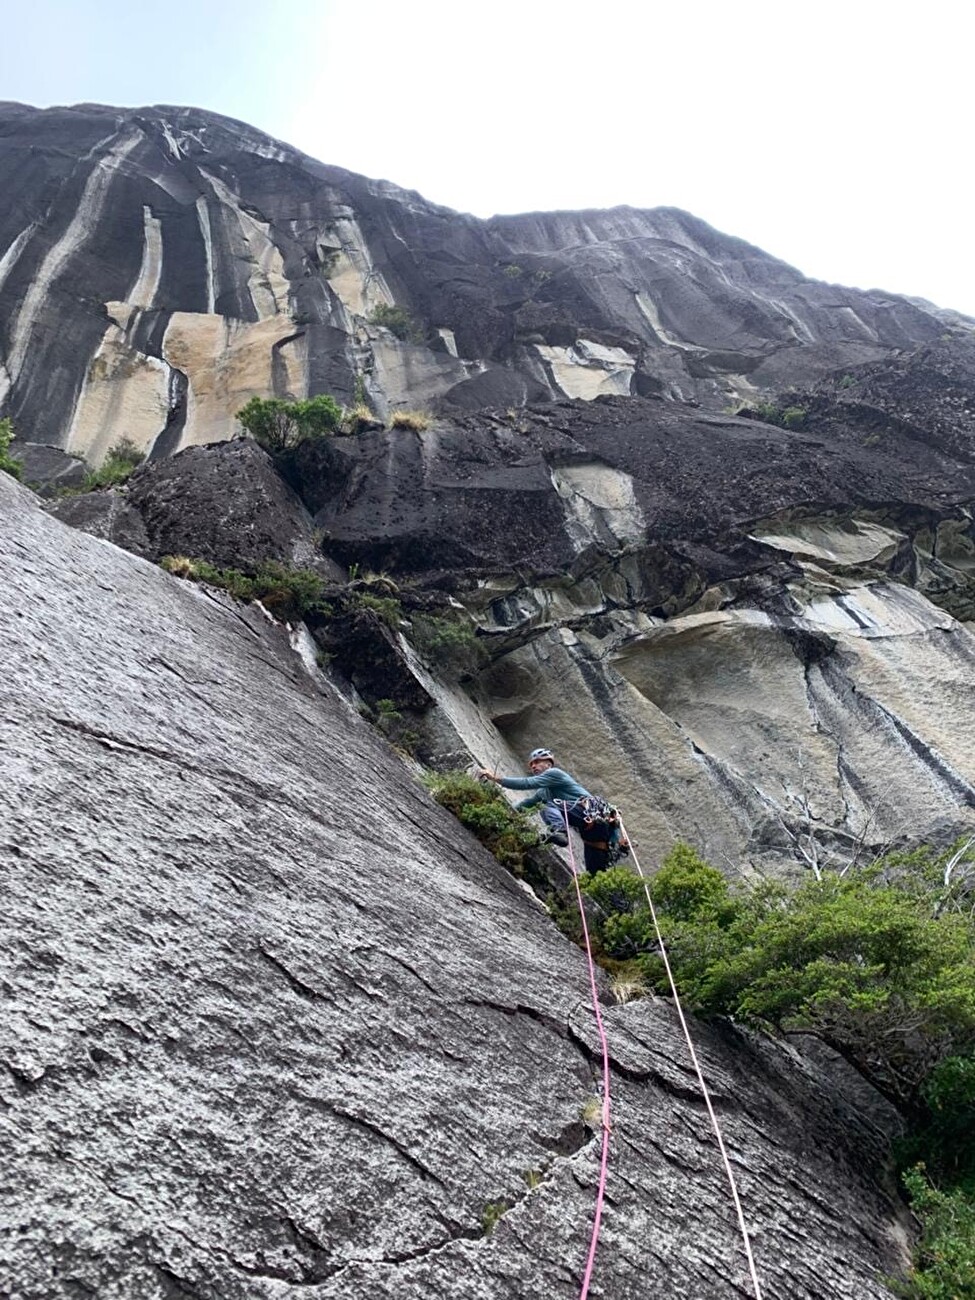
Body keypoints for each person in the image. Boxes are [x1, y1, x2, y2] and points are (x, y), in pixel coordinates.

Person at [480, 748, 626, 873]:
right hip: (594, 834)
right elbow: (526, 805)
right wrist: (499, 813)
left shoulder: (555, 773)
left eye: (537, 762)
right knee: (595, 875)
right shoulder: (543, 792)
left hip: (592, 813)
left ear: (548, 764)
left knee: (547, 805)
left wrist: (494, 778)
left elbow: (527, 783)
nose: (534, 766)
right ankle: (612, 902)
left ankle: (560, 832)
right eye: (532, 764)